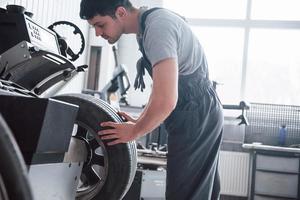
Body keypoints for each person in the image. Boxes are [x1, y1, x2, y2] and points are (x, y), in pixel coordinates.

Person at [79, 0, 224, 199]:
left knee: (185, 194)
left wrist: (136, 131)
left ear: (120, 12)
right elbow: (161, 91)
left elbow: (166, 100)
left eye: (100, 25)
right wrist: (140, 121)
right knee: (197, 192)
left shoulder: (158, 29)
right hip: (196, 111)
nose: (97, 33)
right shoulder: (147, 26)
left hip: (196, 112)